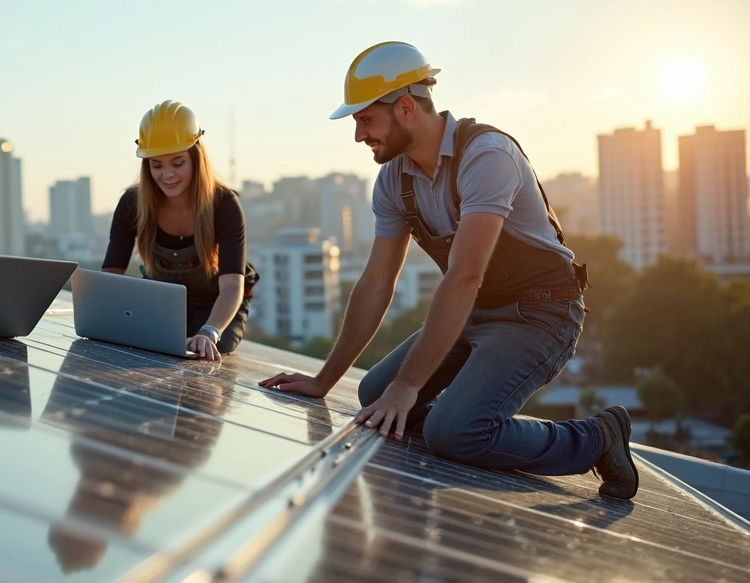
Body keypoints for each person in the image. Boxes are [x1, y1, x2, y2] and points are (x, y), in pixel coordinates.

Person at [259, 42, 638, 499]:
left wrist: (411, 385)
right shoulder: (394, 180)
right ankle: (456, 420)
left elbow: (464, 275)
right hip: (476, 312)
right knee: (375, 395)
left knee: (453, 433)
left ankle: (597, 440)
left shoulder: (486, 155)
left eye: (364, 119)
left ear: (404, 108)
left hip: (540, 316)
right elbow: (377, 283)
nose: (358, 135)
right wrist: (325, 380)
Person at [102, 100, 259, 360]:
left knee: (210, 348)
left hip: (218, 301)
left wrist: (209, 332)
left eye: (177, 163)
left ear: (196, 157)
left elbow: (232, 286)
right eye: (157, 165)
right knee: (148, 345)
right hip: (161, 298)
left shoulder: (224, 204)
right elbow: (110, 276)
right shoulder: (132, 204)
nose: (167, 175)